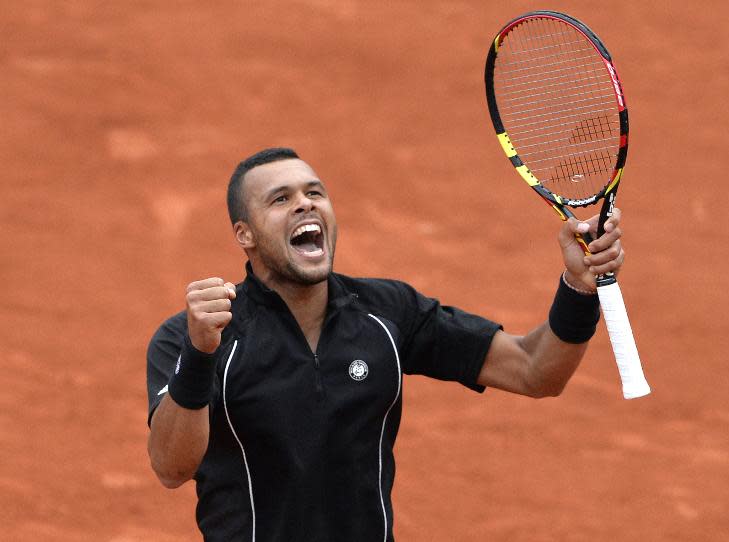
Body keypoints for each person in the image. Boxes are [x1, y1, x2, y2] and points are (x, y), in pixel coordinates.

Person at [146, 147, 626, 542]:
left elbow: (534, 369)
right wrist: (199, 354)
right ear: (243, 234)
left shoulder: (387, 312)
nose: (305, 204)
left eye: (315, 193)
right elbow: (170, 467)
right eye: (280, 199)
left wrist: (578, 288)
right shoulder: (193, 338)